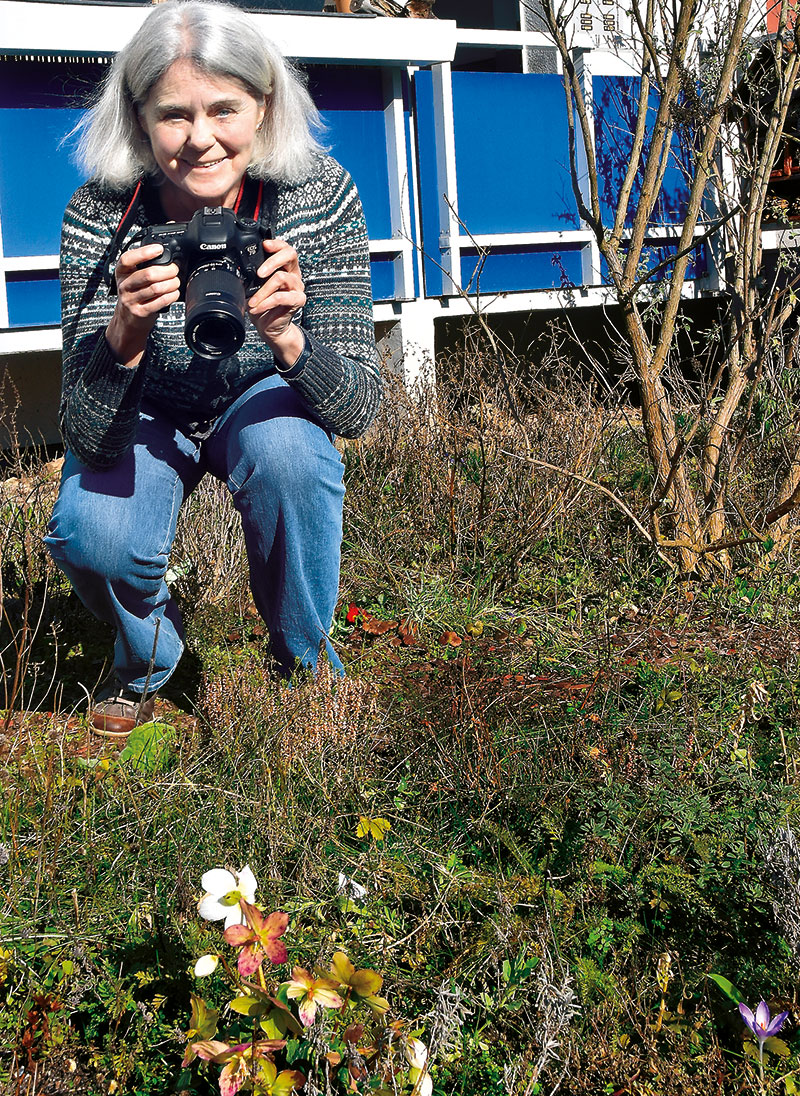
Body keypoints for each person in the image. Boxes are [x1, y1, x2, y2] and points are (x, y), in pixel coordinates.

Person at [44, 0, 381, 734]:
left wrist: (290, 340)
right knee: (89, 528)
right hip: (148, 406)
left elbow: (358, 410)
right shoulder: (101, 215)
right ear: (137, 119)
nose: (201, 141)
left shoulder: (316, 198)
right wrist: (125, 331)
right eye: (173, 115)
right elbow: (87, 434)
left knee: (292, 456)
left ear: (263, 106)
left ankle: (303, 670)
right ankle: (144, 662)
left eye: (224, 109)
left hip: (260, 393)